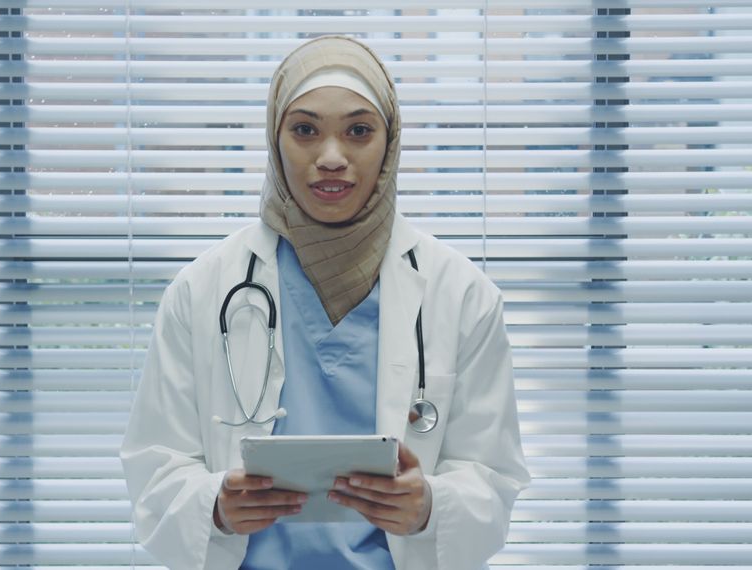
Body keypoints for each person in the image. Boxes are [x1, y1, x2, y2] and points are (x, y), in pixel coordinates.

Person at [120, 35, 530, 570]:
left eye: (358, 130)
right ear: (275, 140)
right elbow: (154, 471)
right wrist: (215, 507)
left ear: (390, 142)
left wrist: (430, 507)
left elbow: (493, 480)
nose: (331, 157)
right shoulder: (201, 290)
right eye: (305, 130)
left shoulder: (461, 294)